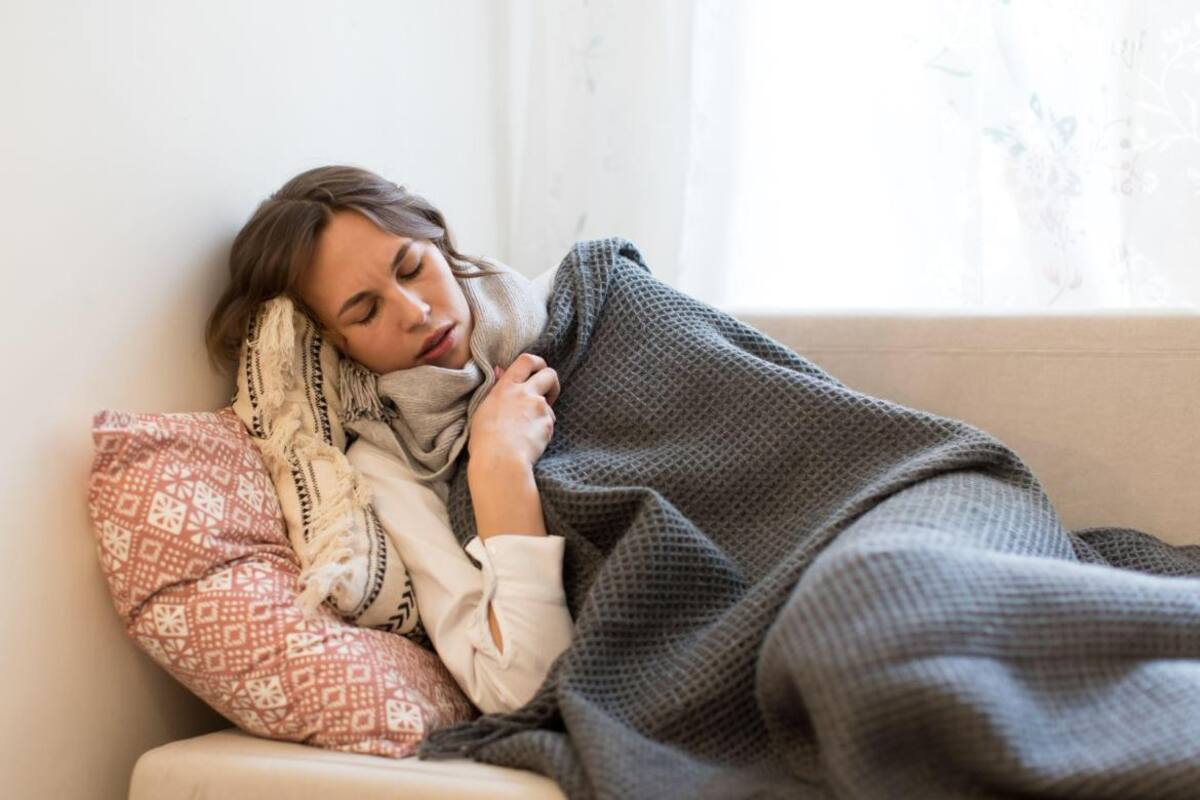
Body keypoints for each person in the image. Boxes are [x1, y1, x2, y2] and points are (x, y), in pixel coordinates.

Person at [204, 165, 573, 713]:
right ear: (334, 345)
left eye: (412, 268)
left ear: (437, 240)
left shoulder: (577, 294)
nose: (416, 312)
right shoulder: (389, 470)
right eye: (367, 311)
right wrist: (499, 464)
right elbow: (520, 688)